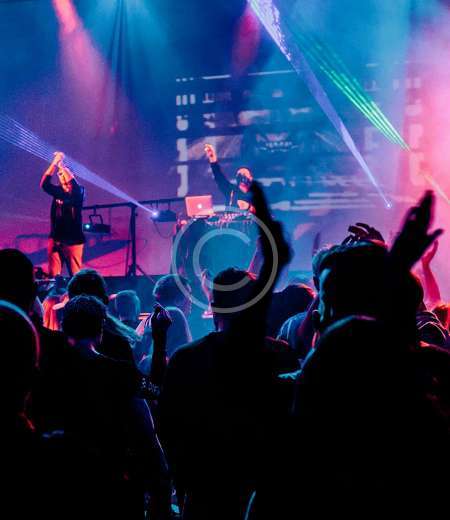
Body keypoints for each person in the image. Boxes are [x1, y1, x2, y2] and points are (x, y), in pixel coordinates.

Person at [159, 181, 294, 519]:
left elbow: (168, 427)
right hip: (265, 492)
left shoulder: (187, 359)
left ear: (212, 305)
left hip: (205, 493)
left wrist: (183, 481)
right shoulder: (278, 355)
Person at [40, 151, 85, 277]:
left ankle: (77, 290)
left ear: (71, 175)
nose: (61, 175)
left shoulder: (79, 191)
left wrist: (62, 166)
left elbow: (75, 187)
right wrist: (54, 163)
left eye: (64, 173)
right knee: (54, 276)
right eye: (59, 174)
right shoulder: (58, 191)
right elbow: (44, 184)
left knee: (75, 275)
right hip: (55, 239)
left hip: (73, 240)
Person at [204, 143, 255, 212]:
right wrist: (213, 160)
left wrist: (249, 207)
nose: (250, 178)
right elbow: (219, 177)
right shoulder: (231, 190)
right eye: (241, 174)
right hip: (232, 218)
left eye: (247, 174)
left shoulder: (254, 193)